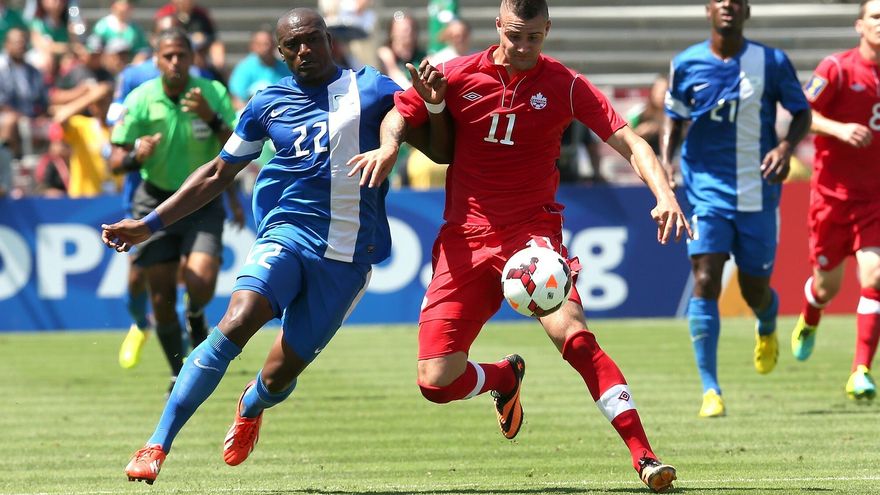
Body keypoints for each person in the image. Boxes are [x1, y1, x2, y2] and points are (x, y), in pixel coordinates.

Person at [349, 0, 688, 491]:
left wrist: (664, 194)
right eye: (514, 35)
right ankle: (503, 378)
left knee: (575, 337)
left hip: (533, 239)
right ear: (498, 26)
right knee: (435, 381)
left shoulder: (565, 85)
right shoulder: (456, 73)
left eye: (534, 37)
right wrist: (388, 146)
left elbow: (631, 142)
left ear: (547, 29)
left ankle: (645, 456)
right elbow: (399, 115)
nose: (524, 47)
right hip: (464, 239)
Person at [103, 8, 446, 484]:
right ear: (281, 53)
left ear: (329, 39)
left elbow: (441, 151)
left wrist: (433, 107)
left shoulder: (373, 88)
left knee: (278, 376)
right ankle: (157, 443)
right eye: (293, 45)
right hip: (287, 234)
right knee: (237, 319)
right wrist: (150, 224)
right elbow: (218, 172)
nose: (304, 50)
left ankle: (252, 403)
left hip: (346, 258)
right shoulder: (267, 102)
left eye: (312, 39)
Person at [661, 0, 811, 418]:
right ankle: (710, 389)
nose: (728, 4)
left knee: (753, 290)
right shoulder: (686, 63)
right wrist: (666, 162)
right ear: (708, 9)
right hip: (706, 190)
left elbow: (802, 113)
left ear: (746, 10)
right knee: (706, 278)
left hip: (758, 193)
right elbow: (674, 116)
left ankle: (767, 322)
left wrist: (786, 147)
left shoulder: (772, 61)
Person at [106, 27, 236, 389]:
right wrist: (136, 156)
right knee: (161, 297)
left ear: (193, 58)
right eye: (168, 56)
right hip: (155, 199)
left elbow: (239, 148)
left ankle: (195, 312)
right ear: (156, 60)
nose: (175, 61)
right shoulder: (140, 98)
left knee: (201, 281)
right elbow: (114, 160)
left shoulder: (213, 92)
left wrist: (212, 118)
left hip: (202, 199)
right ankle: (179, 371)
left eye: (182, 54)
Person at [791, 0, 880, 401]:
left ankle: (861, 370)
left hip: (874, 199)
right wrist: (841, 130)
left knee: (875, 276)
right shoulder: (836, 69)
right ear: (860, 25)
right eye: (876, 16)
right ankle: (810, 316)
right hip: (831, 198)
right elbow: (802, 114)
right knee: (827, 287)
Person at [227, 28, 290, 110]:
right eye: (261, 44)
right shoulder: (244, 68)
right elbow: (236, 99)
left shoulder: (285, 68)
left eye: (268, 43)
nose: (266, 48)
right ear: (253, 46)